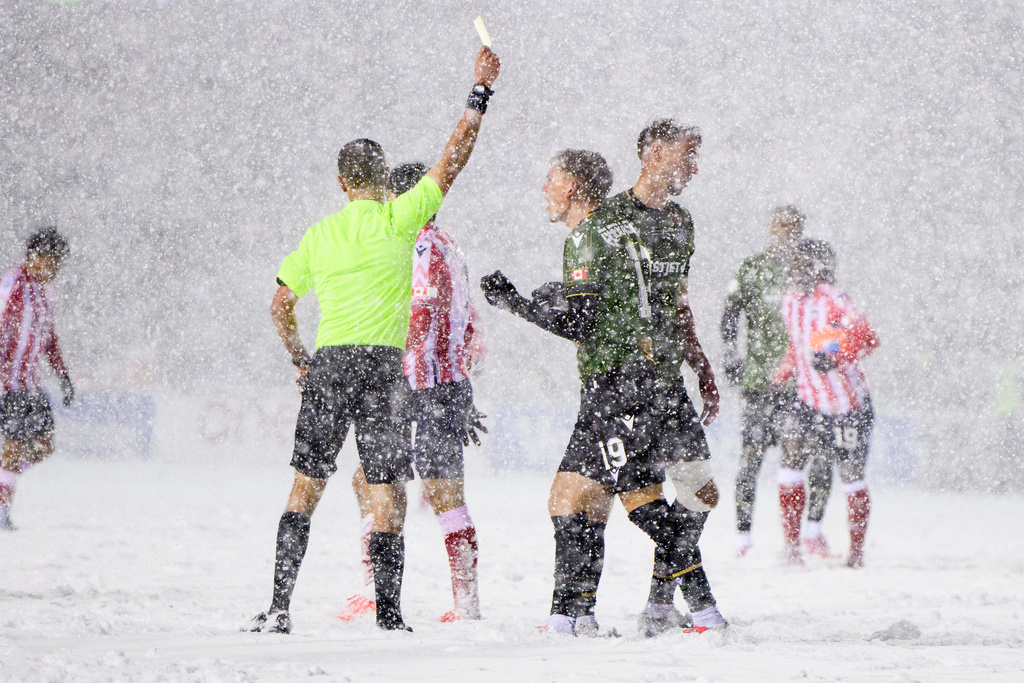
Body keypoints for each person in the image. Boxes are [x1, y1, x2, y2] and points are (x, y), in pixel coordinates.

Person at [246, 46, 500, 634]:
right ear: (385, 179)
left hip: (332, 363)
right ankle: (390, 615)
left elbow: (280, 305)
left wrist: (300, 356)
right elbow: (453, 158)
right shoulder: (400, 219)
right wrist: (478, 94)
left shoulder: (320, 234)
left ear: (341, 183)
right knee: (386, 490)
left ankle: (280, 608)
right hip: (387, 370)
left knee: (306, 487)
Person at [480, 148, 724, 636]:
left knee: (631, 500)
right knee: (579, 497)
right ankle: (577, 616)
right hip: (652, 380)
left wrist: (517, 304)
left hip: (618, 388)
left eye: (550, 178)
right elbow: (653, 303)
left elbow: (583, 323)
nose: (543, 188)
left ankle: (700, 609)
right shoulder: (631, 228)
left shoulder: (588, 233)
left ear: (572, 186)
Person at [342, 162, 486, 624]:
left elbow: (421, 311)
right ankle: (467, 603)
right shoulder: (450, 245)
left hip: (411, 380)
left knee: (376, 483)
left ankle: (372, 591)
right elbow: (465, 321)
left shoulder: (416, 243)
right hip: (446, 381)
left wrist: (388, 367)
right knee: (443, 493)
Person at [598, 120, 725, 636]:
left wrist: (702, 365)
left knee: (701, 492)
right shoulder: (609, 220)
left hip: (669, 380)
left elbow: (679, 303)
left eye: (697, 158)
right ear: (652, 153)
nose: (693, 168)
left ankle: (656, 605)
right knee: (644, 503)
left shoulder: (682, 223)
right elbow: (590, 312)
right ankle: (702, 606)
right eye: (685, 156)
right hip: (624, 384)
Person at [721, 207, 836, 557]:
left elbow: (828, 315)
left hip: (804, 385)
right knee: (751, 457)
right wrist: (730, 356)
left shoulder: (807, 269)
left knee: (817, 455)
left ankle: (810, 531)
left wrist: (827, 355)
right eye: (782, 227)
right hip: (760, 380)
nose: (787, 233)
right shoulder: (752, 268)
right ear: (772, 229)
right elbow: (730, 313)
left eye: (794, 228)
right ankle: (743, 537)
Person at [772, 240, 879, 568]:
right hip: (808, 401)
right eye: (794, 264)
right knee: (789, 465)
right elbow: (797, 345)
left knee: (851, 476)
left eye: (805, 264)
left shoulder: (834, 300)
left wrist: (837, 355)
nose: (797, 270)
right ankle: (791, 547)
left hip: (849, 406)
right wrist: (783, 374)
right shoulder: (789, 302)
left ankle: (856, 553)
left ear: (818, 267)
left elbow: (869, 337)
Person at [0, 228, 75, 531]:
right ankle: (2, 508)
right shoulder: (12, 287)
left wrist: (63, 374)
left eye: (59, 265)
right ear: (36, 257)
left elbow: (49, 337)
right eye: (52, 263)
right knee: (14, 445)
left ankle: (3, 480)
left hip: (32, 384)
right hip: (7, 383)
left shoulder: (46, 291)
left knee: (44, 446)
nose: (56, 270)